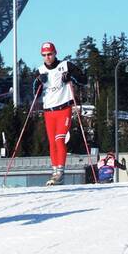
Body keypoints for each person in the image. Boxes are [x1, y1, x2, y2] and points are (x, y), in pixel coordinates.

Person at [32, 42, 87, 186]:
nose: (47, 57)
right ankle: (55, 171)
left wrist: (70, 77)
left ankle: (60, 172)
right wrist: (38, 82)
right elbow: (34, 92)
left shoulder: (65, 65)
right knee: (52, 143)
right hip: (49, 111)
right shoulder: (40, 70)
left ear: (55, 53)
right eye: (44, 55)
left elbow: (83, 79)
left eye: (49, 54)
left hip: (64, 109)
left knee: (59, 139)